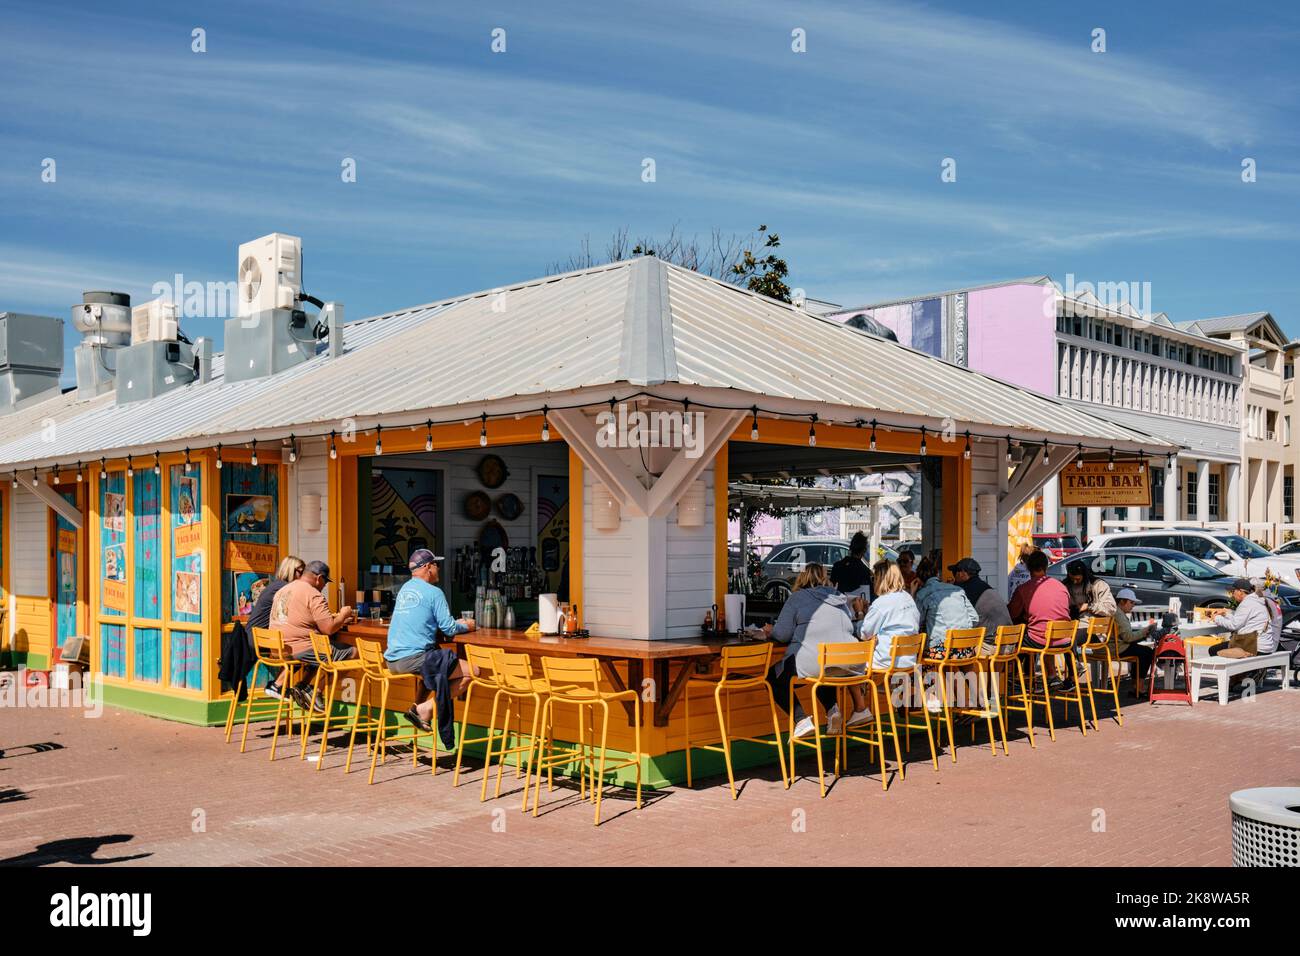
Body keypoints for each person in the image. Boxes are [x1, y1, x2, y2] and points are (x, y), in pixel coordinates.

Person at [763, 563, 871, 739]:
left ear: (802, 578)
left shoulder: (797, 598)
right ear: (825, 579)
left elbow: (782, 635)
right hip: (849, 663)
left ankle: (801, 720)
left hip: (816, 662)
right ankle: (833, 711)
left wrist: (769, 631)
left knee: (772, 678)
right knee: (824, 674)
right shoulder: (840, 598)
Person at [384, 549, 478, 747]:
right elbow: (449, 628)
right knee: (473, 672)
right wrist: (468, 625)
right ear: (427, 567)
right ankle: (426, 709)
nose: (438, 569)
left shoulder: (404, 590)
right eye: (436, 565)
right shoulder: (434, 593)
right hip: (414, 658)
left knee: (434, 664)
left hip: (392, 661)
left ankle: (415, 709)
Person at [267, 560, 355, 712]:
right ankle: (315, 692)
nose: (324, 586)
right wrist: (342, 616)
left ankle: (303, 686)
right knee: (352, 652)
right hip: (300, 648)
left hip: (279, 648)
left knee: (323, 650)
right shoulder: (313, 594)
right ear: (319, 578)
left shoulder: (284, 590)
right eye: (325, 582)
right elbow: (328, 628)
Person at [1007, 551, 1073, 673]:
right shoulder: (1061, 587)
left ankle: (1014, 678)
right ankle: (1050, 676)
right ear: (1046, 566)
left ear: (1028, 568)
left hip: (1040, 640)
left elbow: (1011, 614)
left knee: (1011, 639)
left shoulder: (1023, 589)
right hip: (1065, 639)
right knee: (1039, 630)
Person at [857, 560, 921, 672]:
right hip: (909, 659)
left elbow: (864, 634)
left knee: (853, 662)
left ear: (880, 579)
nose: (873, 582)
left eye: (874, 578)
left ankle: (865, 689)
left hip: (886, 661)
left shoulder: (881, 603)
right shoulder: (908, 598)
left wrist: (860, 614)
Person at [914, 562, 978, 658]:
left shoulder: (922, 594)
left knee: (917, 657)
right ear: (937, 574)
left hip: (941, 651)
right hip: (966, 649)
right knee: (958, 664)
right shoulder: (957, 590)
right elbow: (975, 618)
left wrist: (912, 593)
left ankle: (927, 674)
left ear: (918, 580)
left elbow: (915, 624)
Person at [950, 557, 1011, 651]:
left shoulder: (965, 590)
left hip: (993, 646)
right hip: (1009, 642)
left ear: (962, 573)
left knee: (957, 651)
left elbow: (955, 618)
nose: (954, 577)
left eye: (954, 573)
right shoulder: (983, 586)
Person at [1112, 588, 1155, 692]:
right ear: (1122, 601)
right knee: (1147, 652)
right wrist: (1144, 631)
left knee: (1142, 651)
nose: (1133, 605)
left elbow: (1127, 637)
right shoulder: (1119, 615)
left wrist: (1143, 634)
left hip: (1116, 645)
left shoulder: (1118, 612)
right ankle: (1138, 686)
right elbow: (1128, 637)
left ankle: (1137, 685)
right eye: (1131, 602)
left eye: (1134, 603)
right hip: (1117, 648)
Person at [247, 555, 305, 633]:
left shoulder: (276, 585)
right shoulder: (283, 588)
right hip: (259, 637)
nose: (302, 577)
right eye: (301, 572)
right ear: (290, 570)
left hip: (256, 634)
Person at [830, 531, 872, 600]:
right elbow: (866, 596)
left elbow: (831, 587)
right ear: (864, 550)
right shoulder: (864, 571)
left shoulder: (837, 566)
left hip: (841, 604)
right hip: (857, 606)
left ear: (851, 548)